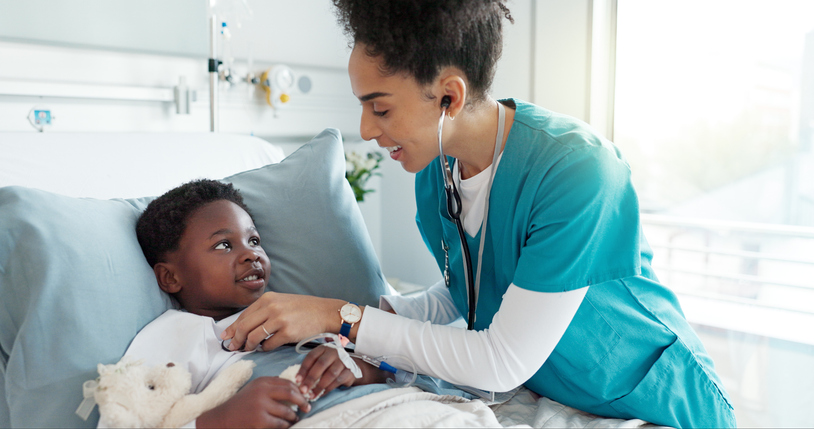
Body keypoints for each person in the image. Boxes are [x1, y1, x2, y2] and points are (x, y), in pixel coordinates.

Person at [219, 1, 736, 427]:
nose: (368, 130)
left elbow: (500, 360)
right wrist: (372, 323)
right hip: (552, 392)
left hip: (650, 402)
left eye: (380, 108)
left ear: (449, 96)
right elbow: (469, 291)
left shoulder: (577, 171)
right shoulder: (434, 172)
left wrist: (345, 317)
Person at [131, 179, 389, 429]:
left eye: (254, 241)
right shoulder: (178, 334)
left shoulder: (297, 312)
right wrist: (220, 421)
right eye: (223, 245)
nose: (251, 254)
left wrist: (359, 368)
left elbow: (405, 369)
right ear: (171, 277)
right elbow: (126, 418)